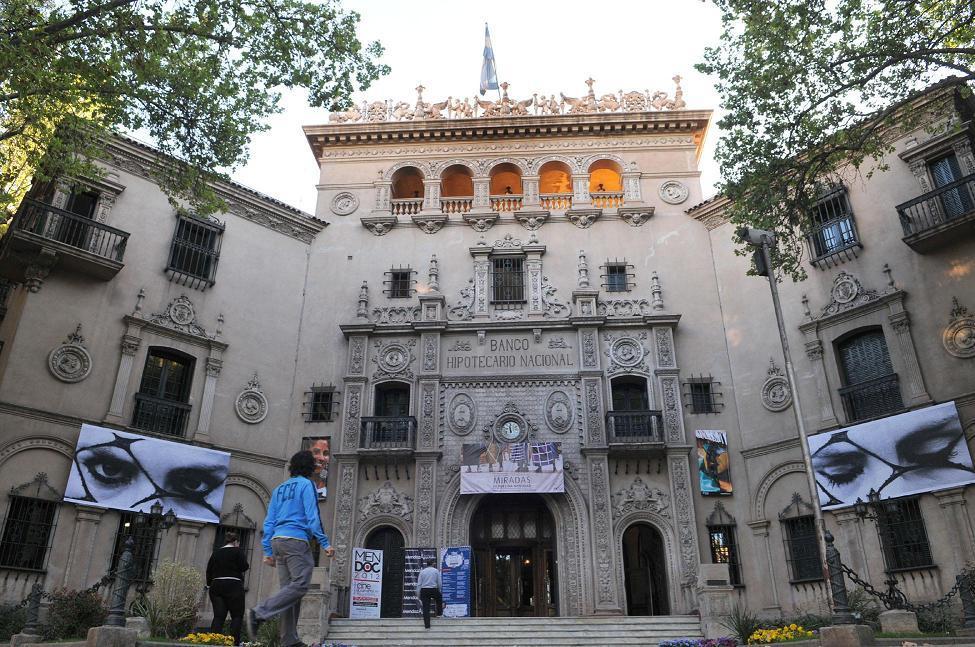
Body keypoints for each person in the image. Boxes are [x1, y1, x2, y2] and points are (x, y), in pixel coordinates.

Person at [247, 451, 335, 647]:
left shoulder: (279, 489)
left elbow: (269, 522)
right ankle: (260, 612)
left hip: (278, 541)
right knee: (301, 585)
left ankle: (289, 640)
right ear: (309, 467)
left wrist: (268, 551)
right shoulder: (307, 485)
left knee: (290, 591)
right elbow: (313, 517)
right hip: (296, 541)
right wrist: (325, 543)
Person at [206, 531, 249, 645]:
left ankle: (213, 642)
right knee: (236, 616)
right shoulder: (237, 551)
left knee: (219, 616)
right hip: (233, 585)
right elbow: (244, 566)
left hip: (216, 586)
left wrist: (210, 583)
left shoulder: (216, 552)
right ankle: (233, 642)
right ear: (236, 542)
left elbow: (209, 570)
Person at [416, 558, 442, 629]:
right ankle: (439, 614)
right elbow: (439, 583)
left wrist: (418, 596)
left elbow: (419, 584)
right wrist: (439, 590)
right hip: (433, 589)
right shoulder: (436, 571)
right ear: (433, 564)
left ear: (426, 564)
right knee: (439, 599)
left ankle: (427, 626)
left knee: (426, 608)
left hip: (424, 590)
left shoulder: (422, 572)